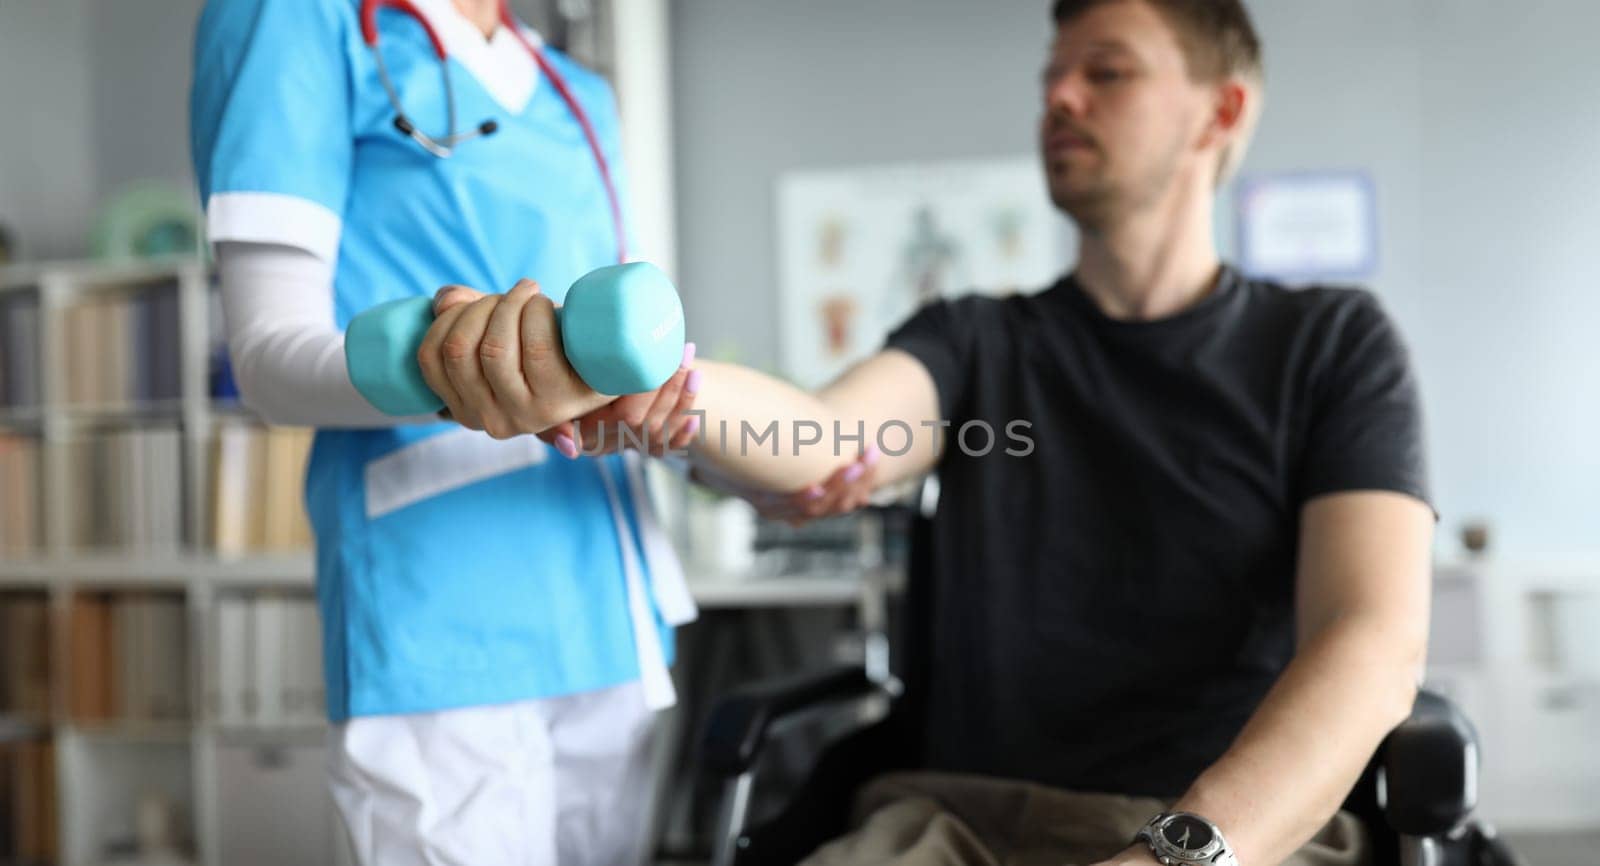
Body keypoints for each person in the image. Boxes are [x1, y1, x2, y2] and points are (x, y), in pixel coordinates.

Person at [435, 0, 1435, 864]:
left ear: (1221, 110)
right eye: (1053, 77)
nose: (1061, 99)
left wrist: (1181, 851)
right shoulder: (977, 339)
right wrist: (665, 388)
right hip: (956, 820)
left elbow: (1372, 639)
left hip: (1232, 830)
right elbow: (827, 440)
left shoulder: (1331, 345)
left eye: (1107, 72)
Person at [188, 0, 709, 863]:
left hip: (608, 607)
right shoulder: (296, 19)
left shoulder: (577, 92)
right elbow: (269, 360)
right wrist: (442, 370)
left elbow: (619, 343)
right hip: (441, 611)